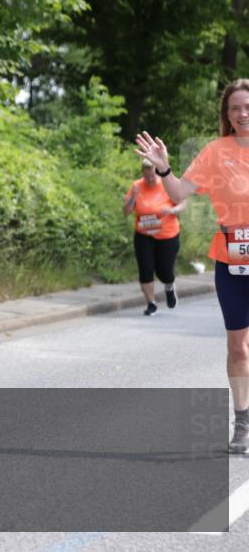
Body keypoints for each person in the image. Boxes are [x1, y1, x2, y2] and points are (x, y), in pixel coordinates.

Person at [135, 79, 249, 454]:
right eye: (235, 107)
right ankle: (243, 422)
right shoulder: (216, 152)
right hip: (232, 261)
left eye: (248, 106)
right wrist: (164, 169)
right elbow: (180, 192)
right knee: (238, 347)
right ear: (227, 114)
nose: (243, 113)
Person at [122, 158, 187, 315]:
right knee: (145, 269)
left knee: (164, 271)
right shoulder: (136, 186)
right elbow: (126, 211)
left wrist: (172, 211)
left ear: (156, 173)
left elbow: (183, 203)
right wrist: (133, 197)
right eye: (146, 177)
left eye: (152, 176)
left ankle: (169, 287)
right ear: (142, 174)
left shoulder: (166, 184)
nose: (150, 179)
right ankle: (151, 303)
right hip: (144, 234)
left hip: (167, 234)